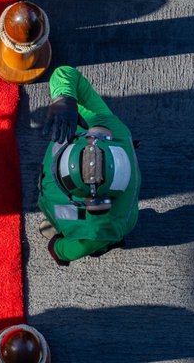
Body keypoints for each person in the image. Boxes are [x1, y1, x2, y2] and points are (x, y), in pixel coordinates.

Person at [38, 65, 140, 264]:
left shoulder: (104, 227)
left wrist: (58, 248)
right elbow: (66, 73)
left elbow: (75, 249)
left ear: (94, 204)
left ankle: (109, 243)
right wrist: (64, 99)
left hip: (106, 228)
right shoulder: (112, 128)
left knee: (101, 242)